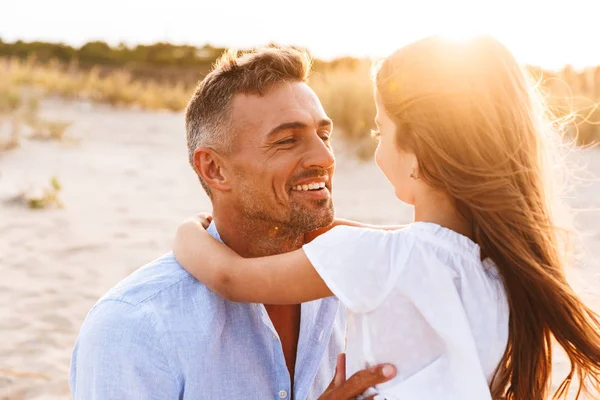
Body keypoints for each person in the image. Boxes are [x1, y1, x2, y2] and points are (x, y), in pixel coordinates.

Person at [173, 36, 600, 399]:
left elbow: (230, 279)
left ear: (419, 152)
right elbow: (398, 247)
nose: (325, 155)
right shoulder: (497, 269)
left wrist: (188, 232)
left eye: (381, 131)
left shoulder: (379, 258)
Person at [69, 47, 397, 399]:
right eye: (288, 140)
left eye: (324, 135)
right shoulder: (133, 327)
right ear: (214, 169)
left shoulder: (352, 282)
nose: (325, 157)